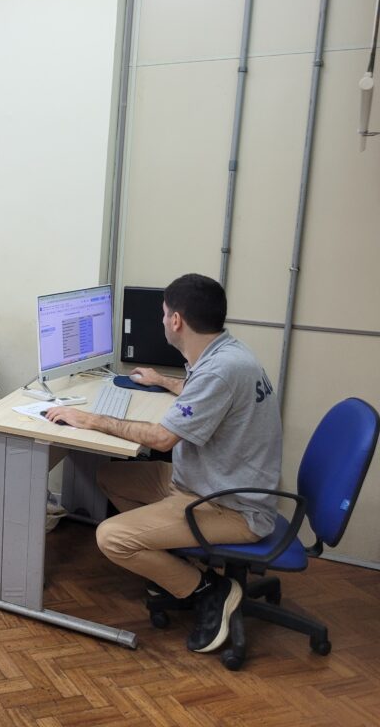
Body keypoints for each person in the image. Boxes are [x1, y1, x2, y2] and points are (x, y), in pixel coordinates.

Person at [44, 273, 282, 655]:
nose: (162, 320)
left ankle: (209, 590)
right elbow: (201, 395)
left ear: (176, 320)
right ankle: (171, 566)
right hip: (207, 480)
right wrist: (163, 381)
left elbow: (161, 439)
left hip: (231, 506)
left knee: (111, 537)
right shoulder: (226, 353)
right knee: (111, 476)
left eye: (163, 313)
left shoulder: (219, 370)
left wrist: (90, 419)